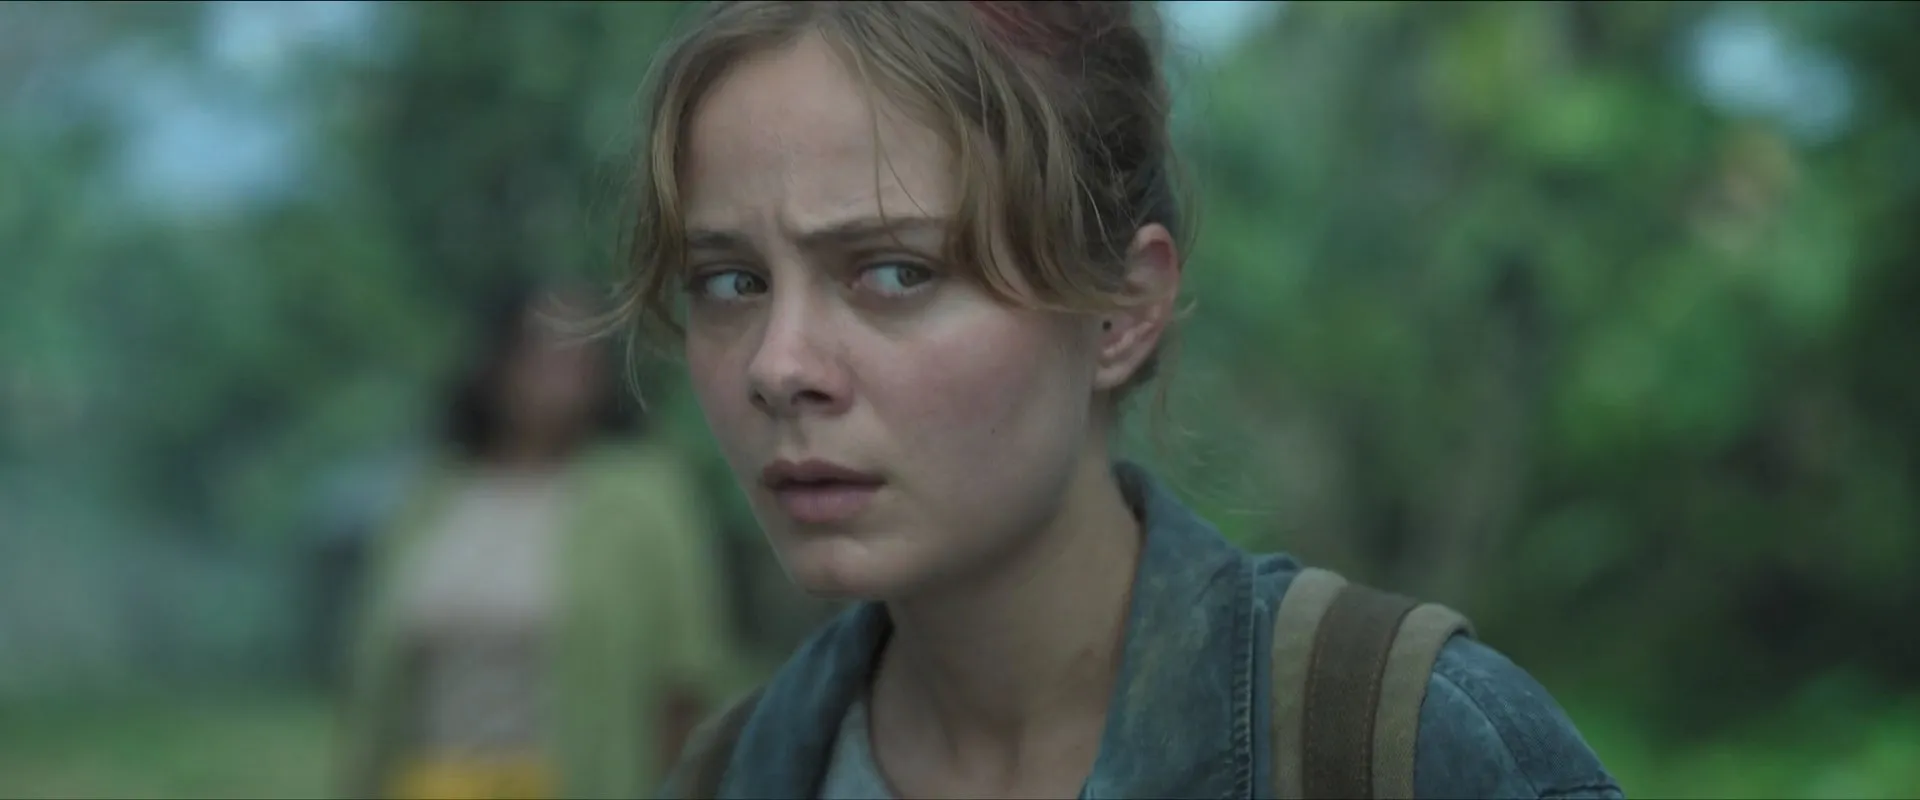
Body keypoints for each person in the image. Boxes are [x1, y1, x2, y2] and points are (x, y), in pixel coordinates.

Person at [621, 2, 1624, 798]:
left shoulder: (1405, 742)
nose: (779, 365)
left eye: (894, 272)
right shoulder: (736, 774)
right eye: (731, 282)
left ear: (1121, 312)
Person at [335, 280, 737, 800]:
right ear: (497, 360)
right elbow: (376, 684)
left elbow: (684, 679)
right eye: (542, 347)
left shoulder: (643, 497)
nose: (560, 369)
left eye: (580, 351)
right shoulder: (433, 500)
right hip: (432, 782)